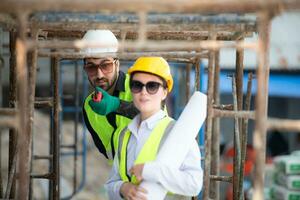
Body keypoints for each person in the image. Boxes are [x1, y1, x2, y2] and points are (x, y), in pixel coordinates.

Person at [105, 57, 203, 200]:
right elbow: (110, 184)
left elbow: (194, 184)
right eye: (137, 85)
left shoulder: (178, 132)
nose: (143, 92)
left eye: (152, 86)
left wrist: (150, 171)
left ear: (164, 92)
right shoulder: (123, 135)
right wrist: (122, 188)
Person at [81, 30, 138, 161]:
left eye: (106, 65)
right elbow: (106, 151)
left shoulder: (139, 85)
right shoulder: (88, 106)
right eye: (91, 67)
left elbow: (157, 118)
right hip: (122, 177)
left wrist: (117, 105)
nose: (99, 74)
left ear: (117, 64)